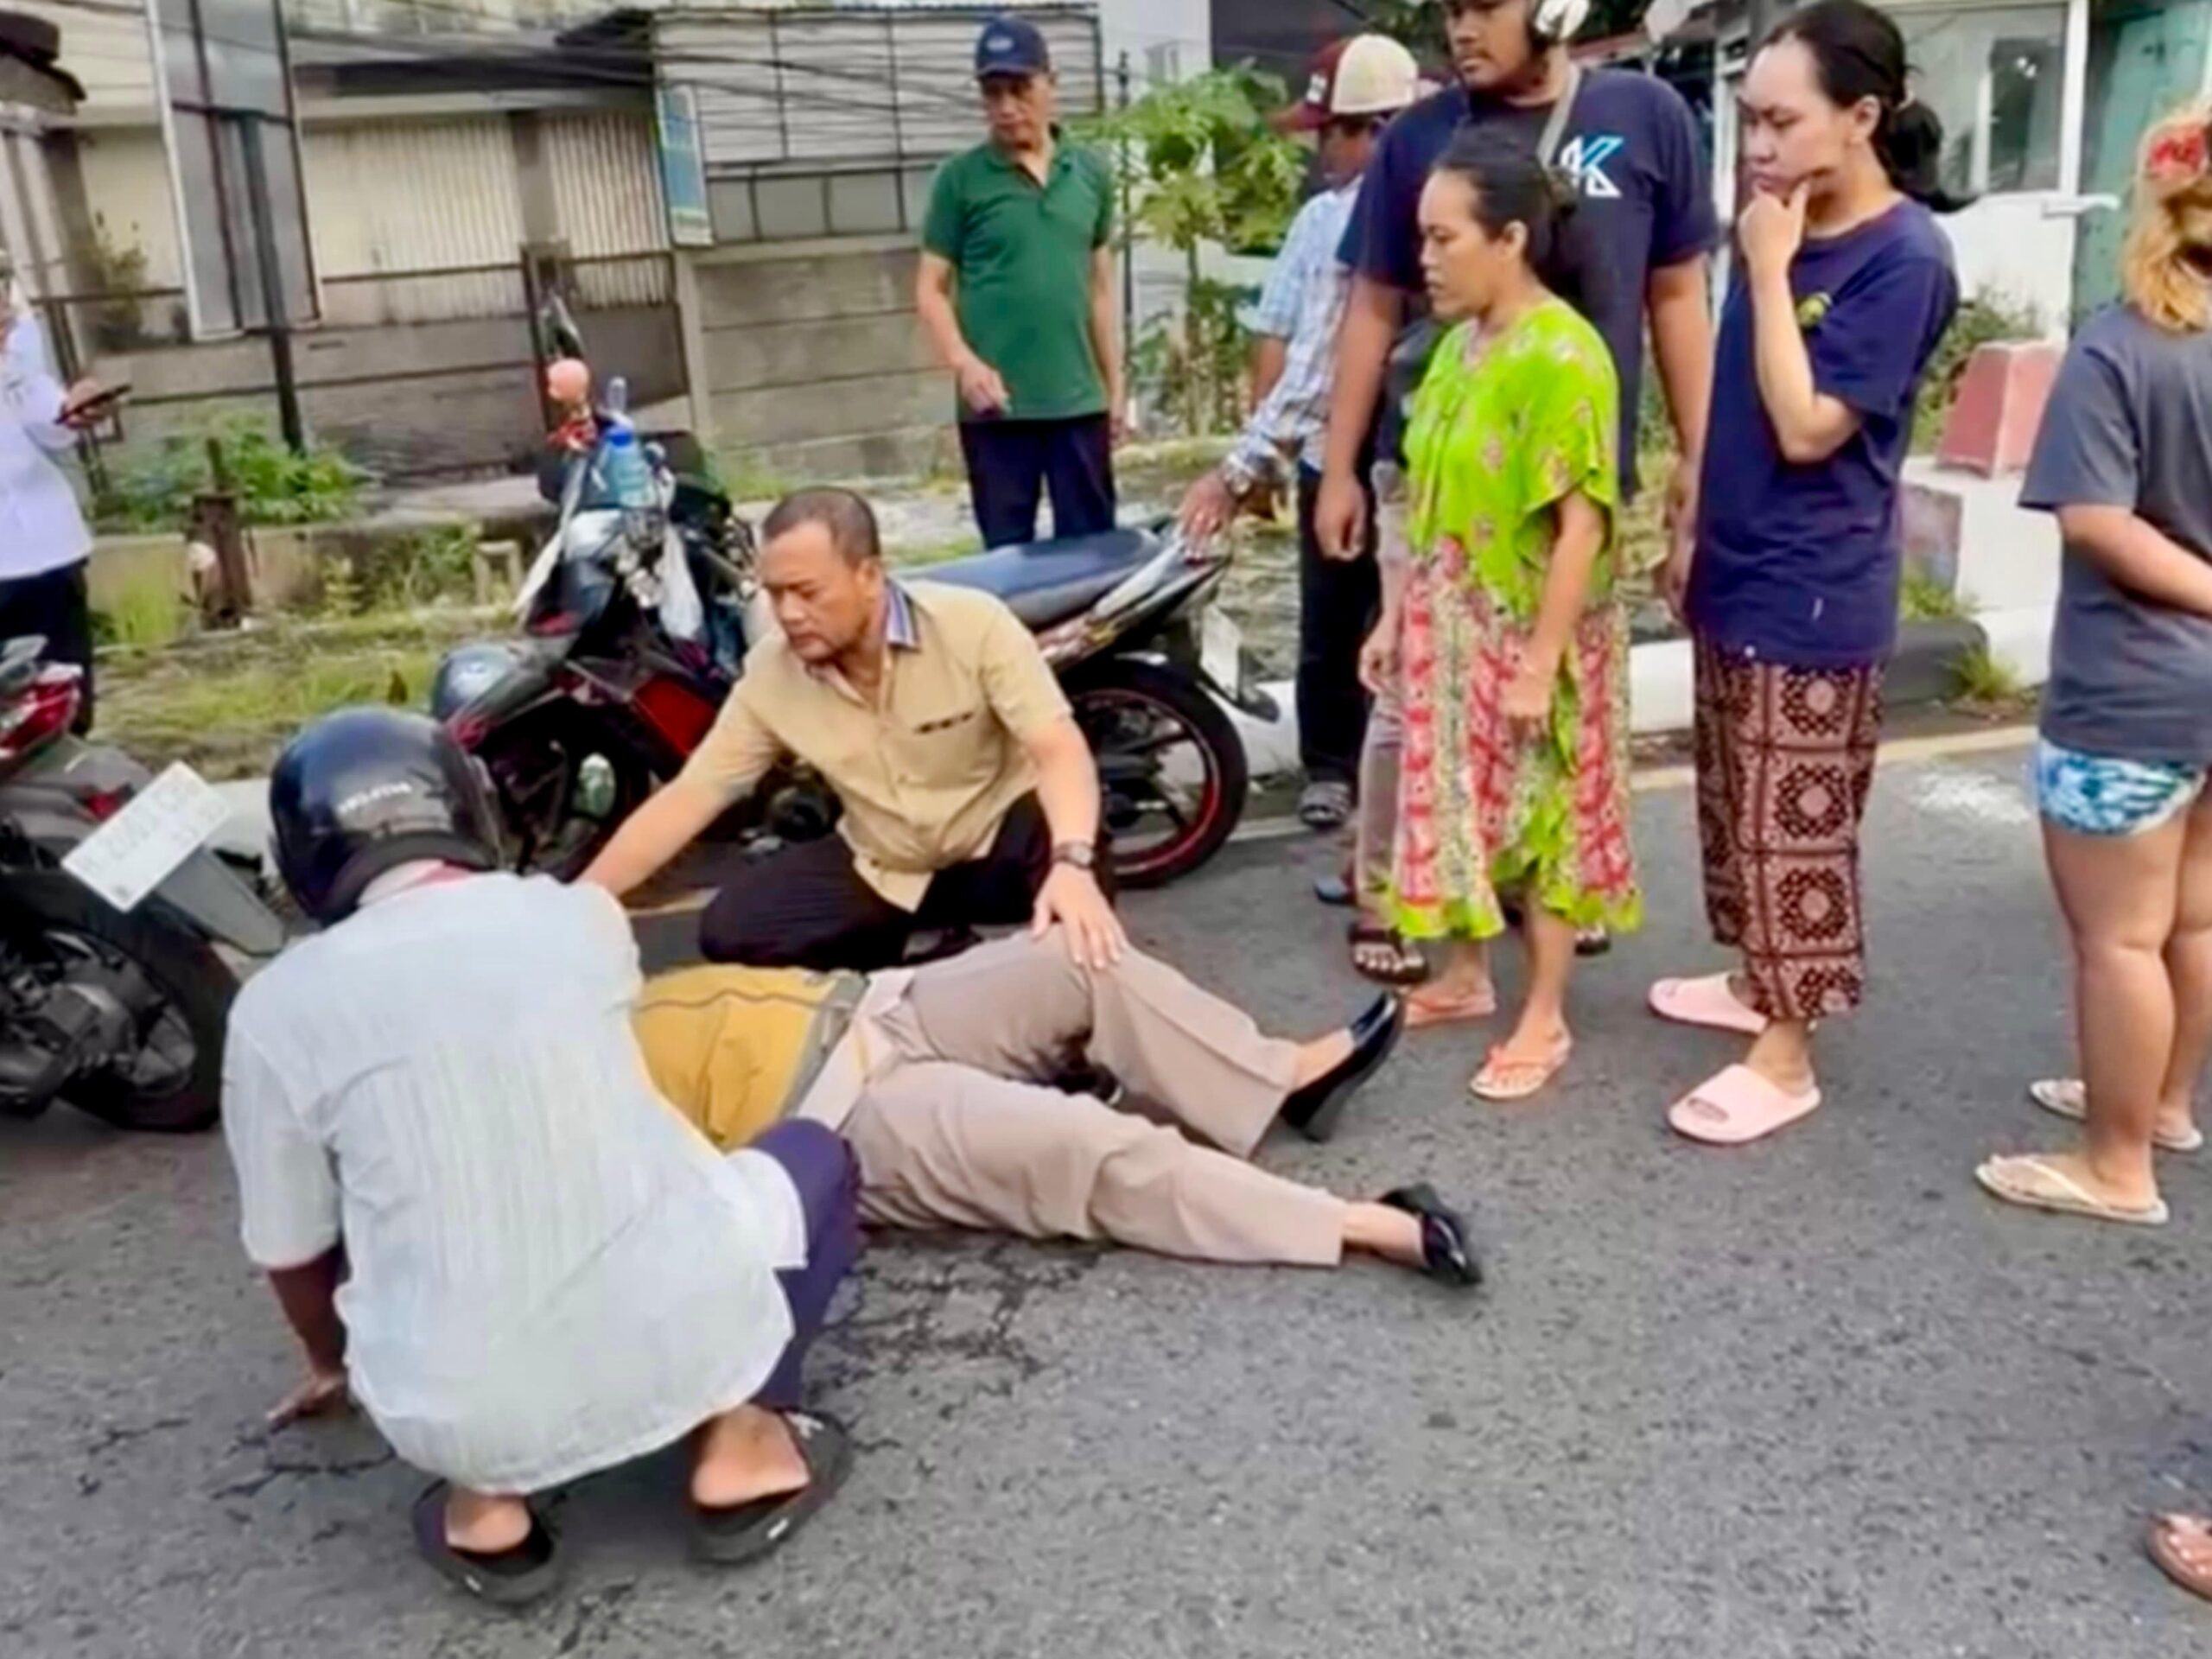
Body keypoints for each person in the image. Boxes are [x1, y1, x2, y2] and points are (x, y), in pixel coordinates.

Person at [222, 709, 860, 1607]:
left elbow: (290, 1249)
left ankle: (487, 1508)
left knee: (400, 1191)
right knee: (811, 1154)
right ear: (469, 811)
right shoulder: (579, 922)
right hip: (684, 1333)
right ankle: (738, 1438)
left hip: (457, 1417)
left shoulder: (274, 1011)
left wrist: (335, 1363)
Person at [1316, 0, 1717, 976]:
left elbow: (1676, 298)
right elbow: (1371, 305)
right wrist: (1339, 467)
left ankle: (1543, 884)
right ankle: (1390, 894)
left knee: (1558, 694)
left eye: (1483, 6)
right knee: (1416, 690)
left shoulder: (1647, 117)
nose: (1461, 28)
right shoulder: (1420, 135)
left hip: (1575, 475)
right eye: (1449, 9)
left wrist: (1695, 467)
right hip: (1441, 465)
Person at [1646, 0, 1960, 1146]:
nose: (1759, 147)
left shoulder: (1904, 256)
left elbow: (1807, 426)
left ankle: (1787, 1051)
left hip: (1818, 584)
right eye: (1749, 122)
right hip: (1739, 563)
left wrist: (1769, 273)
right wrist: (1686, 521)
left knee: (1797, 826)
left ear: (1863, 117)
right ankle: (1750, 979)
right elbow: (1729, 405)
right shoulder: (1783, 228)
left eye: (1782, 122)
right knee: (1734, 806)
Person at [632, 931, 1479, 1287]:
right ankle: (1360, 1225)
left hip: (870, 1003)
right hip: (839, 1111)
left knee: (1077, 957)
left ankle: (1283, 1076)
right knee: (1086, 1146)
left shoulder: (560, 964)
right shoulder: (526, 1115)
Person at [1976, 108, 2212, 1227]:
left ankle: (2118, 1165)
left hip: (2133, 690)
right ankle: (2162, 1105)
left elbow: (2097, 522)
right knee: (2195, 924)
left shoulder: (2121, 347)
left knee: (2119, 937)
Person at [582, 488, 1124, 974]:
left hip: (995, 844)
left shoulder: (973, 625)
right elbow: (693, 795)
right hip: (888, 863)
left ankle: (1073, 1044)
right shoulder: (772, 672)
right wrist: (579, 902)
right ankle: (876, 999)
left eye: (808, 592)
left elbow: (1057, 749)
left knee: (1075, 857)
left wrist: (1071, 864)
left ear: (869, 576)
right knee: (735, 929)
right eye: (775, 595)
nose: (789, 614)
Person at [1376, 130, 1635, 1103]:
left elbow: (1582, 525)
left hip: (1532, 630)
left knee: (1547, 810)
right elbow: (1426, 497)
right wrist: (1393, 619)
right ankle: (1468, 975)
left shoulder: (1565, 356)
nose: (1427, 259)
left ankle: (1545, 1013)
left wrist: (1540, 662)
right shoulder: (1455, 350)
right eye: (1422, 239)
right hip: (1450, 622)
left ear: (1511, 238)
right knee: (1456, 799)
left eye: (1446, 239)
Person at [1177, 34, 1423, 835]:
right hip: (1334, 455)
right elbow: (1284, 340)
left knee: (1400, 629)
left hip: (1411, 458)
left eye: (1336, 132)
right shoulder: (1324, 219)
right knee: (1331, 623)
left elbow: (1320, 360)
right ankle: (1333, 768)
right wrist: (1268, 455)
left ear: (1379, 128)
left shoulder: (1405, 210)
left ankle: (1392, 795)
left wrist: (1237, 470)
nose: (1324, 151)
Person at [918, 14, 1121, 549]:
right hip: (997, 411)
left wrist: (1116, 391)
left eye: (1019, 88)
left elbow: (1099, 288)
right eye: (993, 92)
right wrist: (965, 364)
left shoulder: (1092, 174)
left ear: (1051, 84)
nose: (1006, 107)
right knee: (1008, 559)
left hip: (1078, 404)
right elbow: (929, 288)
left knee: (1094, 554)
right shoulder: (960, 180)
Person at [0, 268, 107, 734]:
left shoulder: (16, 354)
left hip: (49, 553)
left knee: (66, 701)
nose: (6, 312)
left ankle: (71, 794)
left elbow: (48, 419)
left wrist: (76, 411)